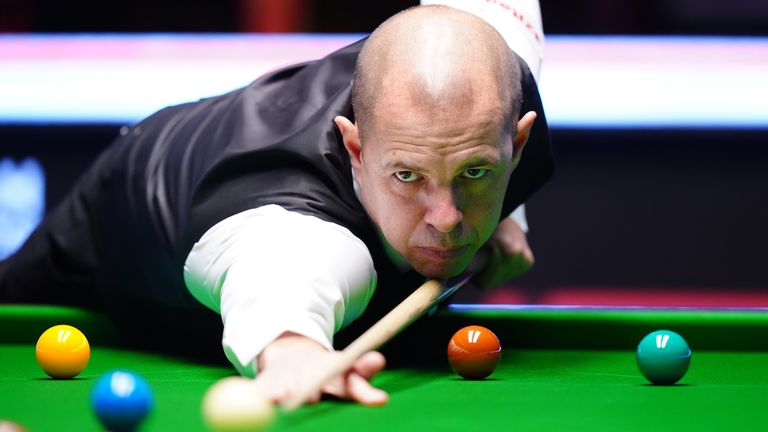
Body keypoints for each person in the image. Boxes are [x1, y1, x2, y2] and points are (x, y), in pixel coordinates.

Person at [0, 4, 553, 406]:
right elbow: (280, 284)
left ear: (517, 142)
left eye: (474, 172)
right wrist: (294, 351)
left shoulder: (502, 70)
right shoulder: (297, 231)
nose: (448, 219)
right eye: (407, 176)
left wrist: (505, 210)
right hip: (132, 206)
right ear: (356, 149)